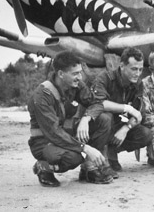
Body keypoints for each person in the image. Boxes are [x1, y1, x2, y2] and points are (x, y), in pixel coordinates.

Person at [27, 51, 115, 187]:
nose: (80, 77)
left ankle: (89, 169)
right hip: (44, 141)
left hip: (64, 134)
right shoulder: (42, 95)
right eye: (75, 73)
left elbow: (97, 103)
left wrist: (86, 118)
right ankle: (44, 167)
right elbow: (53, 132)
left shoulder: (76, 85)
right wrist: (85, 148)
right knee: (74, 157)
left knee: (104, 120)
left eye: (80, 72)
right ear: (61, 74)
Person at [91, 47, 153, 172]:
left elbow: (139, 114)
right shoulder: (105, 78)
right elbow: (99, 103)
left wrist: (126, 129)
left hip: (117, 124)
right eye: (134, 69)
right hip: (95, 125)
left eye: (140, 69)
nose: (138, 73)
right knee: (105, 117)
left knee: (145, 134)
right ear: (122, 66)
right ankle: (99, 158)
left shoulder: (137, 84)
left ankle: (111, 151)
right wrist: (127, 108)